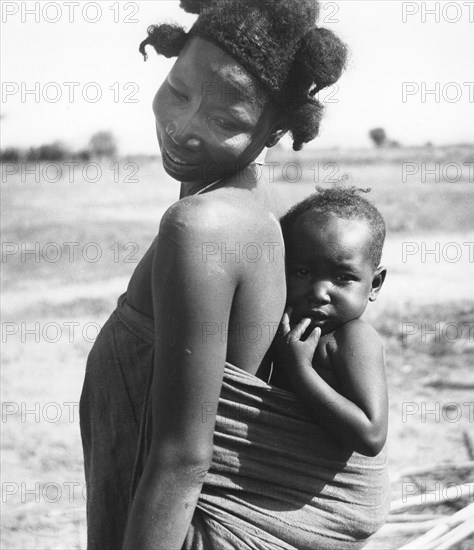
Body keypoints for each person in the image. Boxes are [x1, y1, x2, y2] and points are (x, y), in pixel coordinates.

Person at [79, 1, 355, 549]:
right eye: (178, 92)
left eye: (227, 121)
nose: (184, 127)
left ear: (276, 128)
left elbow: (181, 458)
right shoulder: (245, 208)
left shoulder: (200, 226)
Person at [272, 187, 388, 457]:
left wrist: (299, 369)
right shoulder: (287, 326)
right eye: (302, 272)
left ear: (375, 284)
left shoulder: (354, 338)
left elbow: (371, 436)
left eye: (342, 277)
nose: (319, 292)